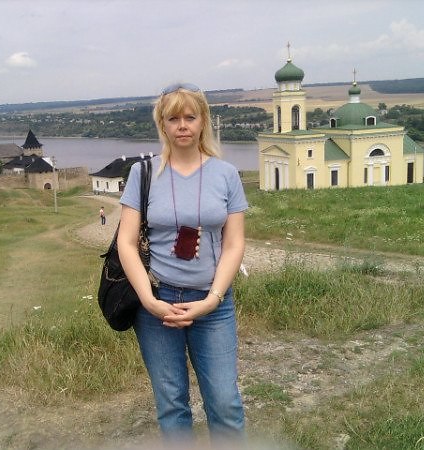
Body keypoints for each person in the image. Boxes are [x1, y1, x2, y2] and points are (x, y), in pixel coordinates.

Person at [118, 83, 248, 444]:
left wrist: (213, 299)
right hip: (157, 303)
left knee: (224, 402)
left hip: (212, 303)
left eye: (190, 117)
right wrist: (148, 300)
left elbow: (234, 243)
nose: (183, 125)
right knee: (172, 405)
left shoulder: (226, 174)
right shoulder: (143, 173)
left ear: (203, 120)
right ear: (162, 124)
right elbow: (126, 242)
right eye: (173, 118)